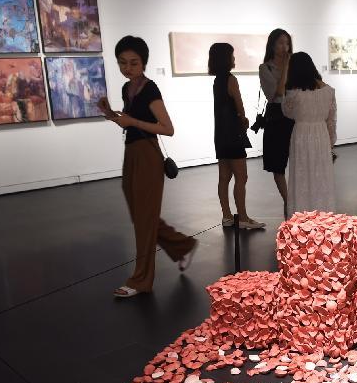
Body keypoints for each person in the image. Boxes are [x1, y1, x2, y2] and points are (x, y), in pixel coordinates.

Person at [97, 35, 197, 298]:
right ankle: (182, 246)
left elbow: (167, 128)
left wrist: (132, 122)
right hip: (131, 153)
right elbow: (130, 121)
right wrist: (111, 114)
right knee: (142, 216)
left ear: (143, 63)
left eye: (134, 63)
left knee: (143, 219)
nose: (127, 68)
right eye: (122, 62)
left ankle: (141, 280)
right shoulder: (127, 89)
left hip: (147, 156)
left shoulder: (150, 89)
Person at [209, 43, 264, 229]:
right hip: (233, 134)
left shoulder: (217, 80)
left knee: (224, 177)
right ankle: (243, 218)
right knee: (242, 177)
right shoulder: (231, 80)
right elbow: (240, 108)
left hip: (220, 135)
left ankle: (226, 216)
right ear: (225, 58)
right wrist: (245, 120)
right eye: (232, 56)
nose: (234, 59)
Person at [280, 52, 337, 214]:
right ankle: (323, 213)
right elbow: (331, 120)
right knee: (322, 176)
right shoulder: (328, 91)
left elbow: (287, 112)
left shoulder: (294, 93)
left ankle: (302, 213)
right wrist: (331, 143)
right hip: (321, 135)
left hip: (301, 136)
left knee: (302, 175)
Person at [259, 29, 295, 217]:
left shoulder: (295, 65)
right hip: (277, 117)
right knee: (278, 164)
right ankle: (288, 200)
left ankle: (296, 199)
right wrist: (287, 66)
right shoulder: (265, 68)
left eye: (287, 43)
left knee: (298, 160)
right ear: (272, 44)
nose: (284, 47)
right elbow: (278, 92)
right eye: (281, 42)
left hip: (295, 115)